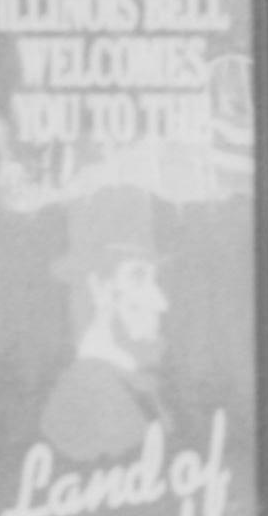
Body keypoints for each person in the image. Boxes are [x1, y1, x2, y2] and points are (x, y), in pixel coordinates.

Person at [40, 185, 171, 464]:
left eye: (155, 280)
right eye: (138, 277)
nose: (160, 303)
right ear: (98, 287)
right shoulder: (82, 399)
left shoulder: (133, 382)